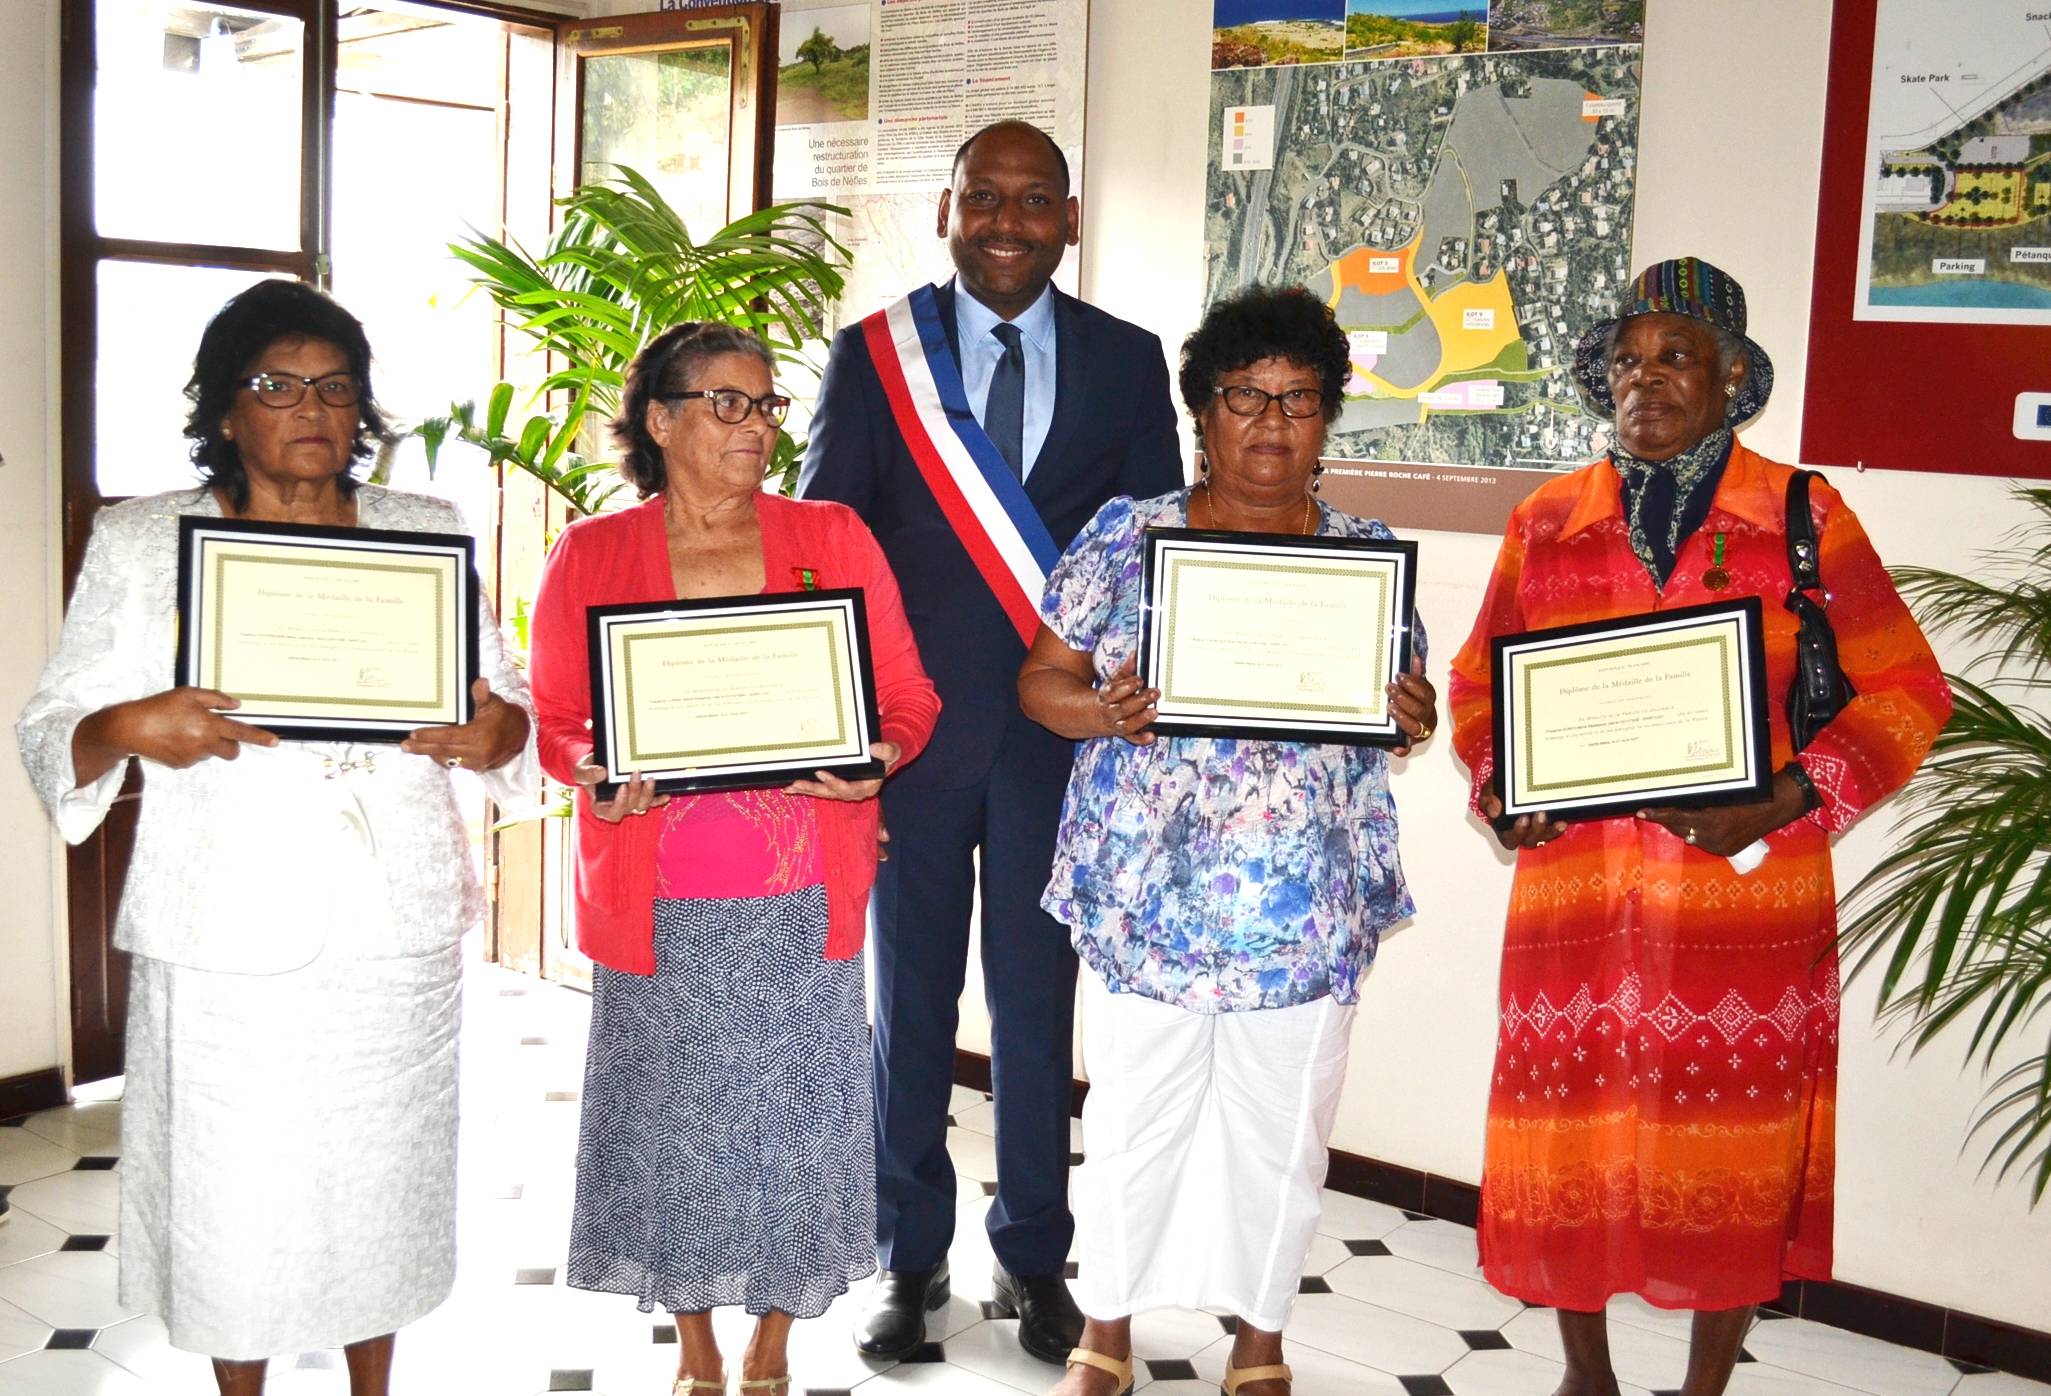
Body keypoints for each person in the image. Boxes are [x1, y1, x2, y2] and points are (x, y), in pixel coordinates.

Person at [14, 279, 537, 1396]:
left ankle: (372, 1385)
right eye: (276, 384)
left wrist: (498, 728)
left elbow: (504, 702)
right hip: (223, 929)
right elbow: (56, 719)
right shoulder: (146, 537)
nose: (311, 407)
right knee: (234, 1194)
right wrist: (129, 725)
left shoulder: (424, 531)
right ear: (224, 406)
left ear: (363, 414)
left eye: (336, 388)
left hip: (392, 925)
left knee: (379, 1185)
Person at [1447, 258, 1952, 1396]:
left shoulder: (1800, 513)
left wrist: (1782, 796)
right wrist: (1501, 788)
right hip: (1574, 899)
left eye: (1674, 355)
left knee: (1730, 1147)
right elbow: (1479, 685)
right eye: (1625, 359)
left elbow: (1909, 691)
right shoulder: (1547, 519)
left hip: (1748, 900)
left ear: (1731, 374)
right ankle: (1584, 1372)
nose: (1645, 379)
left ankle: (1703, 1384)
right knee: (1564, 1134)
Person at [798, 118, 1183, 1362]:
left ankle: (1031, 1255)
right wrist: (842, 722)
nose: (1007, 222)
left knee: (1033, 1003)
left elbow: (1150, 551)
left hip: (1055, 742)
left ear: (1069, 219)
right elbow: (826, 555)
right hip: (909, 740)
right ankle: (907, 1257)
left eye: (1033, 201)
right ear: (947, 210)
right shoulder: (874, 358)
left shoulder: (1127, 362)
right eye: (984, 200)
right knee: (906, 1004)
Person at [1018, 286, 1438, 1396]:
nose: (1269, 423)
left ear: (1327, 418)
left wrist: (1411, 714)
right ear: (1202, 410)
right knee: (1128, 1122)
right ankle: (1102, 1329)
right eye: (1243, 397)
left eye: (1298, 400)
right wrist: (1099, 710)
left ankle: (1259, 1338)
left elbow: (1395, 703)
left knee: (1281, 1133)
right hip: (1146, 895)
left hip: (1304, 906)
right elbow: (1037, 680)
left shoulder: (1365, 554)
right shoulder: (1126, 534)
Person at [527, 322, 940, 1396]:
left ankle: (771, 1345)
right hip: (657, 900)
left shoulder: (832, 534)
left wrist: (878, 757)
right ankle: (698, 1347)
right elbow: (560, 718)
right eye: (727, 404)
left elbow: (906, 695)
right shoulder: (593, 553)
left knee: (789, 1129)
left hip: (799, 892)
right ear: (659, 420)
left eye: (766, 406)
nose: (756, 426)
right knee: (671, 1133)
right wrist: (594, 767)